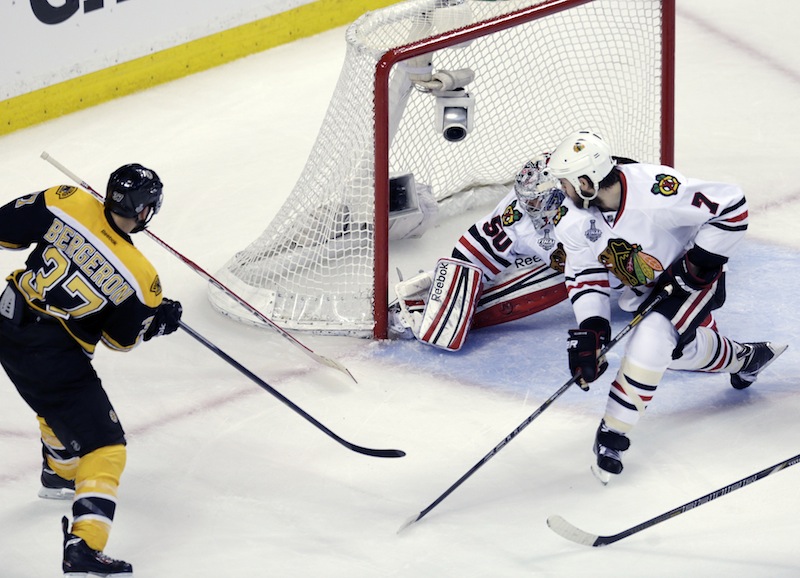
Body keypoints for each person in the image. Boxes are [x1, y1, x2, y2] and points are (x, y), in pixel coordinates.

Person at [548, 130, 788, 483]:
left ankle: (613, 433)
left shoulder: (657, 190)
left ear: (587, 182)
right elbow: (584, 271)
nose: (561, 190)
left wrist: (698, 263)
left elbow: (732, 206)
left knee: (652, 338)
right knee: (676, 354)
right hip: (645, 285)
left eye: (566, 182)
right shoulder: (572, 217)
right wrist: (593, 327)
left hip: (689, 280)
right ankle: (747, 358)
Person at [0, 164, 183, 576]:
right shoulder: (143, 279)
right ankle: (85, 546)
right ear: (143, 211)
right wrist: (157, 319)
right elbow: (121, 341)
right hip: (53, 356)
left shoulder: (66, 199)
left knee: (53, 402)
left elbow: (4, 229)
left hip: (7, 325)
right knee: (106, 446)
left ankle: (59, 470)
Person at [389, 157, 569, 350]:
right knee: (474, 296)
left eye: (535, 199)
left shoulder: (553, 196)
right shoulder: (526, 225)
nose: (529, 204)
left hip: (483, 250)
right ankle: (420, 308)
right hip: (493, 259)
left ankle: (428, 297)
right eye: (527, 198)